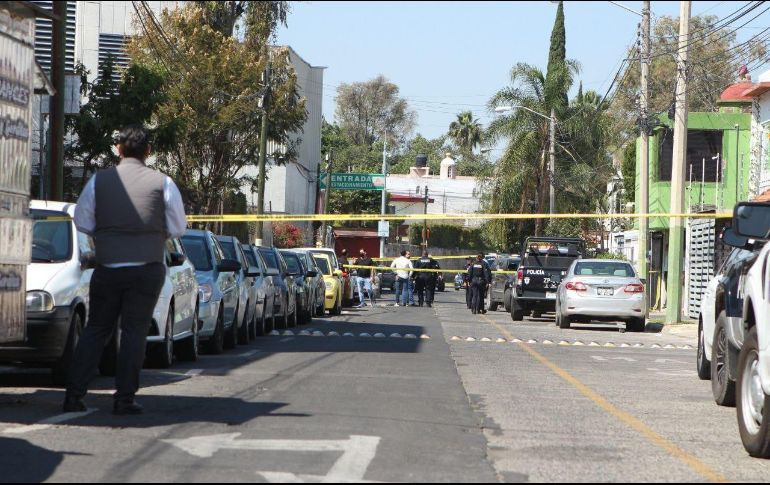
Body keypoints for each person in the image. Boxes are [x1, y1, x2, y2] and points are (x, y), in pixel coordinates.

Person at [63, 125, 187, 415]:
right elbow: (178, 226)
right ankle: (124, 398)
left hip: (108, 267)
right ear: (148, 151)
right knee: (134, 332)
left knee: (96, 329)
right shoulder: (163, 183)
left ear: (118, 149)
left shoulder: (99, 181)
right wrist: (152, 234)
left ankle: (73, 395)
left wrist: (107, 233)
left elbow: (81, 220)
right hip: (147, 269)